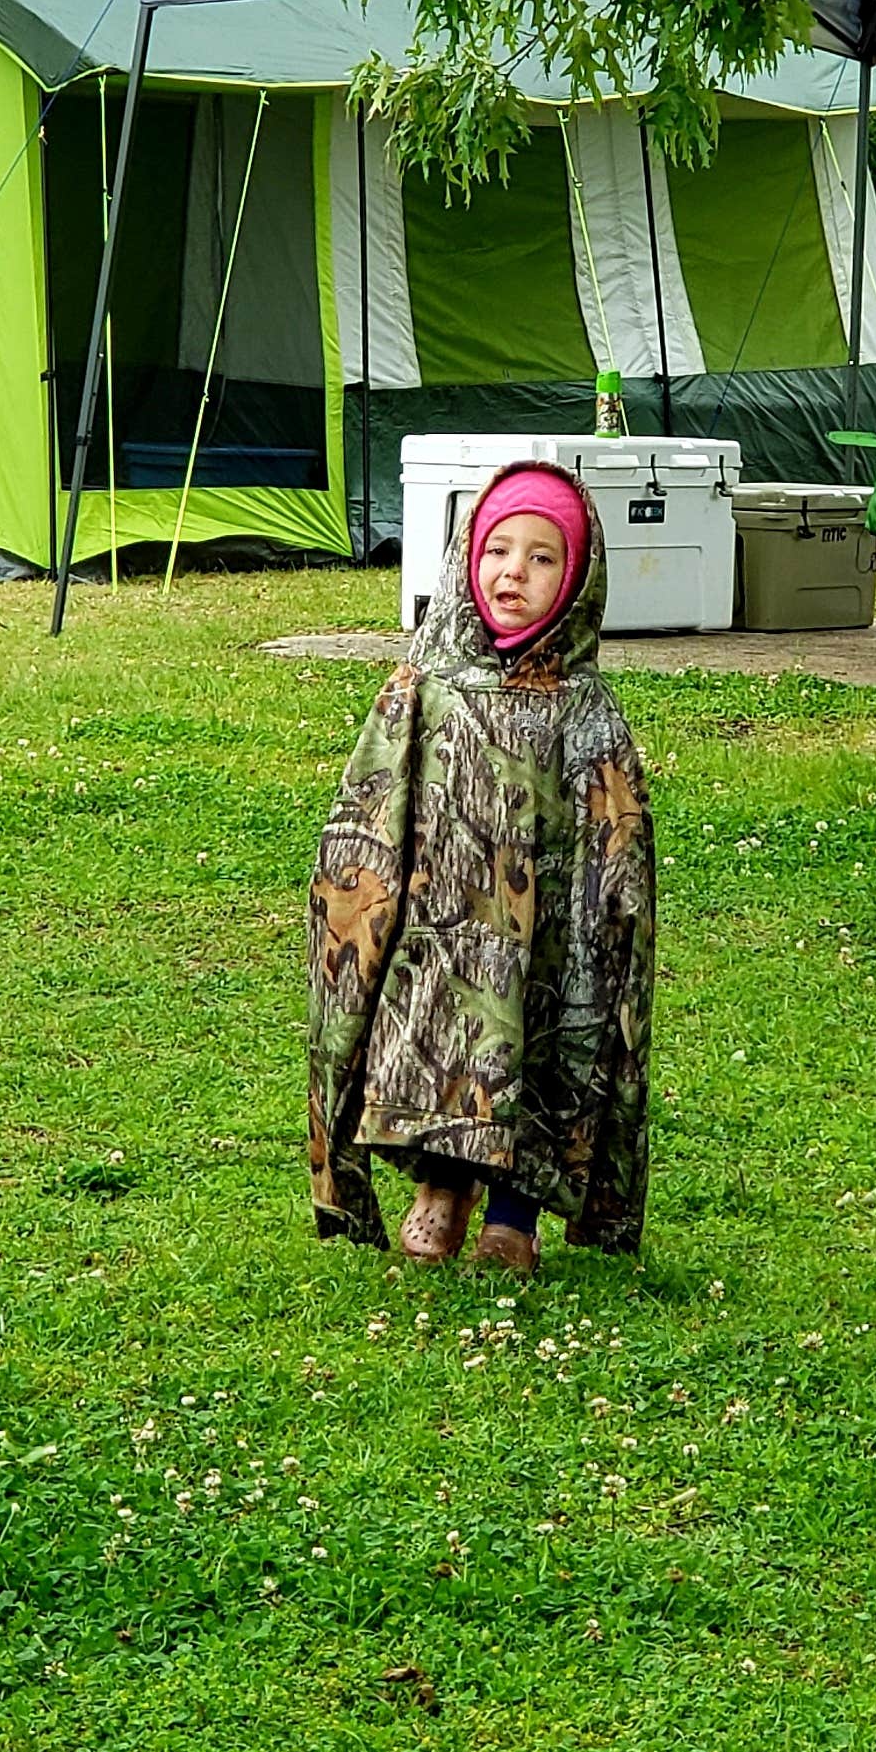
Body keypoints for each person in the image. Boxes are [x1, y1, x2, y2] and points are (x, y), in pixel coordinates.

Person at [304, 464, 654, 1278]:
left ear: (576, 579)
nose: (513, 573)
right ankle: (440, 1186)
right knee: (439, 1046)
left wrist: (610, 918)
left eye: (541, 558)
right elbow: (371, 801)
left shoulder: (585, 706)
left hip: (548, 941)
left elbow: (617, 840)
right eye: (497, 550)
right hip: (439, 931)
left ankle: (512, 1214)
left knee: (532, 1054)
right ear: (466, 558)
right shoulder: (424, 689)